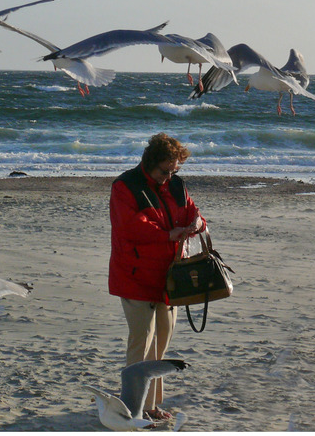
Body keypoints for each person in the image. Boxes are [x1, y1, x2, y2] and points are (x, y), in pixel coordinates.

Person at [109, 133, 206, 421]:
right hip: (135, 275)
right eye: (165, 170)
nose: (169, 176)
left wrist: (197, 223)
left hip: (169, 276)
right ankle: (132, 407)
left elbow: (192, 212)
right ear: (150, 162)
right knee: (142, 341)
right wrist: (167, 235)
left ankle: (150, 405)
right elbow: (131, 227)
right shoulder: (125, 186)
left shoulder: (176, 185)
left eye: (174, 170)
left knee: (161, 341)